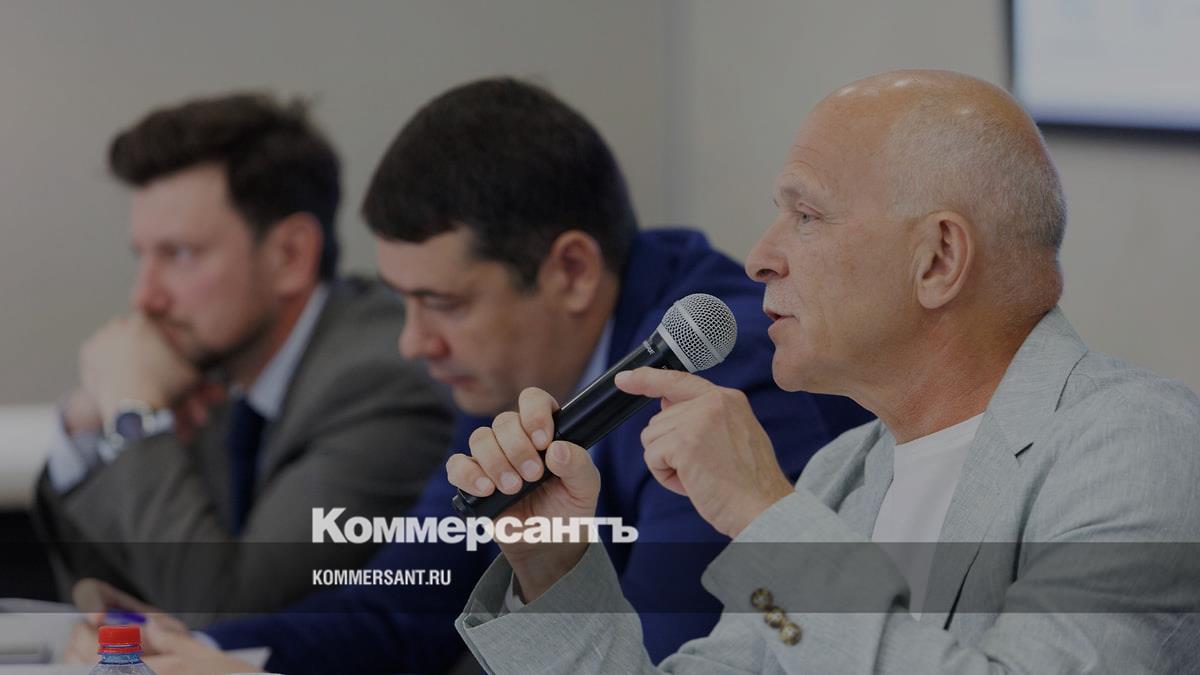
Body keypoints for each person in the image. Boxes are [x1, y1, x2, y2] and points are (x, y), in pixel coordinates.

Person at [100, 78, 872, 674]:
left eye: (442, 302)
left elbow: (653, 656)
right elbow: (405, 606)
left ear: (571, 270)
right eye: (404, 300)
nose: (413, 342)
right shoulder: (512, 367)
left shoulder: (724, 375)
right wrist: (196, 651)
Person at [447, 70, 1200, 673]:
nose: (759, 257)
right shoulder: (841, 474)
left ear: (938, 259)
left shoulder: (1138, 444)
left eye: (806, 216)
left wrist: (763, 515)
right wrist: (555, 561)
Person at [35, 93, 454, 624]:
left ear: (290, 255)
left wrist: (134, 414)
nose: (144, 297)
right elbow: (112, 607)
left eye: (179, 254)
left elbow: (228, 617)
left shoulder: (381, 384)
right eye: (142, 257)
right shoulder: (212, 374)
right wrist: (87, 425)